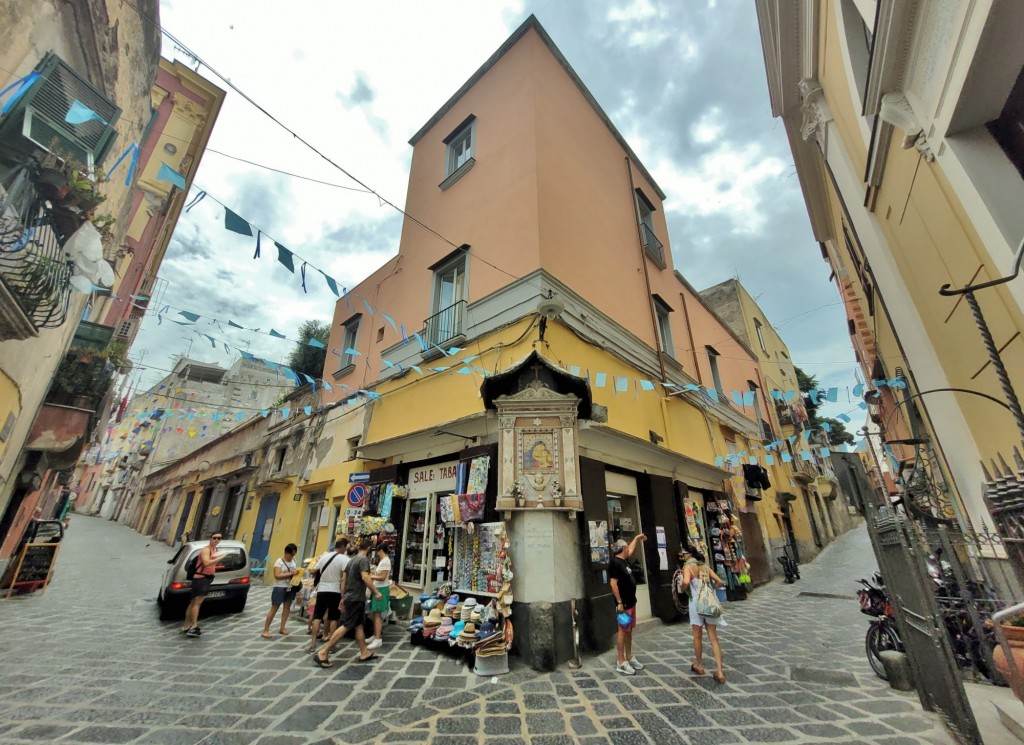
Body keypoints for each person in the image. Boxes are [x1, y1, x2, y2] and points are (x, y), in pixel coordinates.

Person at [313, 537, 381, 667]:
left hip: (351, 597)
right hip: (356, 598)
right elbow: (365, 577)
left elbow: (344, 579)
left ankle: (364, 652)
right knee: (347, 625)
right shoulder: (363, 560)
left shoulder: (351, 561)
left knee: (359, 625)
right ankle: (323, 652)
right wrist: (376, 592)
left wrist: (343, 597)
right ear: (368, 548)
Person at [682, 544, 727, 683]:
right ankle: (719, 671)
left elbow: (685, 582)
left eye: (684, 553)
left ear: (689, 554)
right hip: (709, 603)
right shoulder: (704, 566)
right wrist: (710, 589)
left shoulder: (687, 566)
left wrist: (683, 588)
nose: (683, 555)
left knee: (697, 635)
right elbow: (719, 581)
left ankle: (699, 665)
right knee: (713, 637)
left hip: (696, 603)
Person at [608, 533, 647, 675]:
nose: (628, 550)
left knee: (629, 630)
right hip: (623, 605)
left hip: (631, 603)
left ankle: (629, 656)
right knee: (622, 631)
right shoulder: (615, 563)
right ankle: (621, 661)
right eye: (626, 547)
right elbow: (613, 583)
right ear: (621, 549)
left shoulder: (624, 560)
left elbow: (631, 549)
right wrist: (619, 602)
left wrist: (636, 538)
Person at [308, 538, 349, 653]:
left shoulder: (324, 557)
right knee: (333, 618)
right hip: (335, 590)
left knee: (317, 616)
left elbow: (313, 571)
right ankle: (332, 644)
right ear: (343, 547)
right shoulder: (344, 559)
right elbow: (344, 577)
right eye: (345, 547)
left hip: (322, 589)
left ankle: (313, 644)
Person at [182, 533, 227, 637]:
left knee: (193, 602)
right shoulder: (206, 550)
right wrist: (222, 557)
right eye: (214, 538)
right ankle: (193, 626)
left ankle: (186, 625)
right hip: (201, 578)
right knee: (197, 603)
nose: (216, 540)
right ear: (210, 539)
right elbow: (206, 562)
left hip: (206, 579)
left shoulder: (215, 550)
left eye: (219, 538)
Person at [261, 543, 299, 639]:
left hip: (290, 587)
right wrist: (290, 573)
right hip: (280, 587)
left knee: (287, 608)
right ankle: (265, 630)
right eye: (291, 554)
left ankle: (282, 627)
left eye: (294, 554)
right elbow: (277, 575)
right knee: (274, 608)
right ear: (286, 553)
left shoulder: (294, 561)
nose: (292, 556)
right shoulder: (279, 562)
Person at [368, 543, 392, 650]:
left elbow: (382, 577)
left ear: (381, 550)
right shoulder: (383, 561)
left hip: (381, 589)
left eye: (377, 551)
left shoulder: (386, 561)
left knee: (377, 614)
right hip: (377, 588)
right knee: (375, 613)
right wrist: (374, 572)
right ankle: (375, 635)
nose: (376, 553)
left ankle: (378, 639)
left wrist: (370, 576)